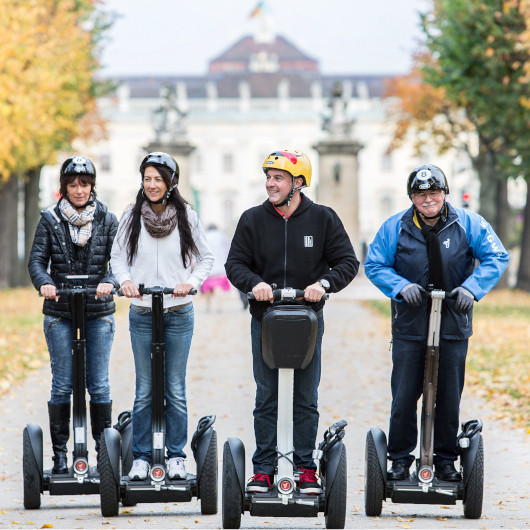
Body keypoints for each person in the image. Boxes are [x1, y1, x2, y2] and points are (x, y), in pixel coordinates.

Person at [225, 149, 359, 494]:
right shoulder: (253, 219)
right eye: (269, 177)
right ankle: (264, 468)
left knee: (305, 395)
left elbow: (346, 262)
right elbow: (235, 264)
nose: (271, 183)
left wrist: (323, 284)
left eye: (279, 178)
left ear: (297, 183)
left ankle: (305, 467)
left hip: (307, 320)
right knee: (267, 395)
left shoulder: (323, 219)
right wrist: (254, 284)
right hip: (266, 319)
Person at [364, 164, 509, 482]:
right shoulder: (395, 227)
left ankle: (445, 460)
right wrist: (400, 286)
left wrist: (472, 287)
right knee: (404, 395)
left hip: (454, 320)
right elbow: (374, 263)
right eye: (420, 194)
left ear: (444, 194)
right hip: (411, 323)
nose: (428, 199)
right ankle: (400, 459)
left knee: (448, 394)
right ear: (412, 197)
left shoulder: (469, 223)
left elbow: (497, 256)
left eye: (433, 193)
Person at [110, 151, 213, 481]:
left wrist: (190, 282)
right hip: (141, 311)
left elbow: (206, 258)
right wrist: (125, 280)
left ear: (171, 183)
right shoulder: (131, 215)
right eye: (147, 179)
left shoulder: (187, 217)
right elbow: (118, 257)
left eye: (158, 179)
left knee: (174, 387)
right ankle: (140, 456)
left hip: (178, 311)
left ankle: (176, 455)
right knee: (144, 388)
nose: (152, 185)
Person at [28, 156, 118, 474]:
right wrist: (46, 283)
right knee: (62, 384)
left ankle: (102, 456)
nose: (79, 190)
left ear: (92, 185)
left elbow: (120, 261)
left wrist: (110, 281)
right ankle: (61, 456)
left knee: (99, 385)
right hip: (60, 311)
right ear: (64, 187)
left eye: (84, 184)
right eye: (72, 184)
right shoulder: (50, 219)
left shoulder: (107, 219)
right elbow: (37, 261)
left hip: (97, 312)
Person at [200, 224, 231, 311]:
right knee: (218, 288)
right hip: (220, 267)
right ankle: (219, 306)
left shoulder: (205, 236)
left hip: (208, 267)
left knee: (207, 289)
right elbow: (228, 250)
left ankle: (208, 306)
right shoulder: (222, 236)